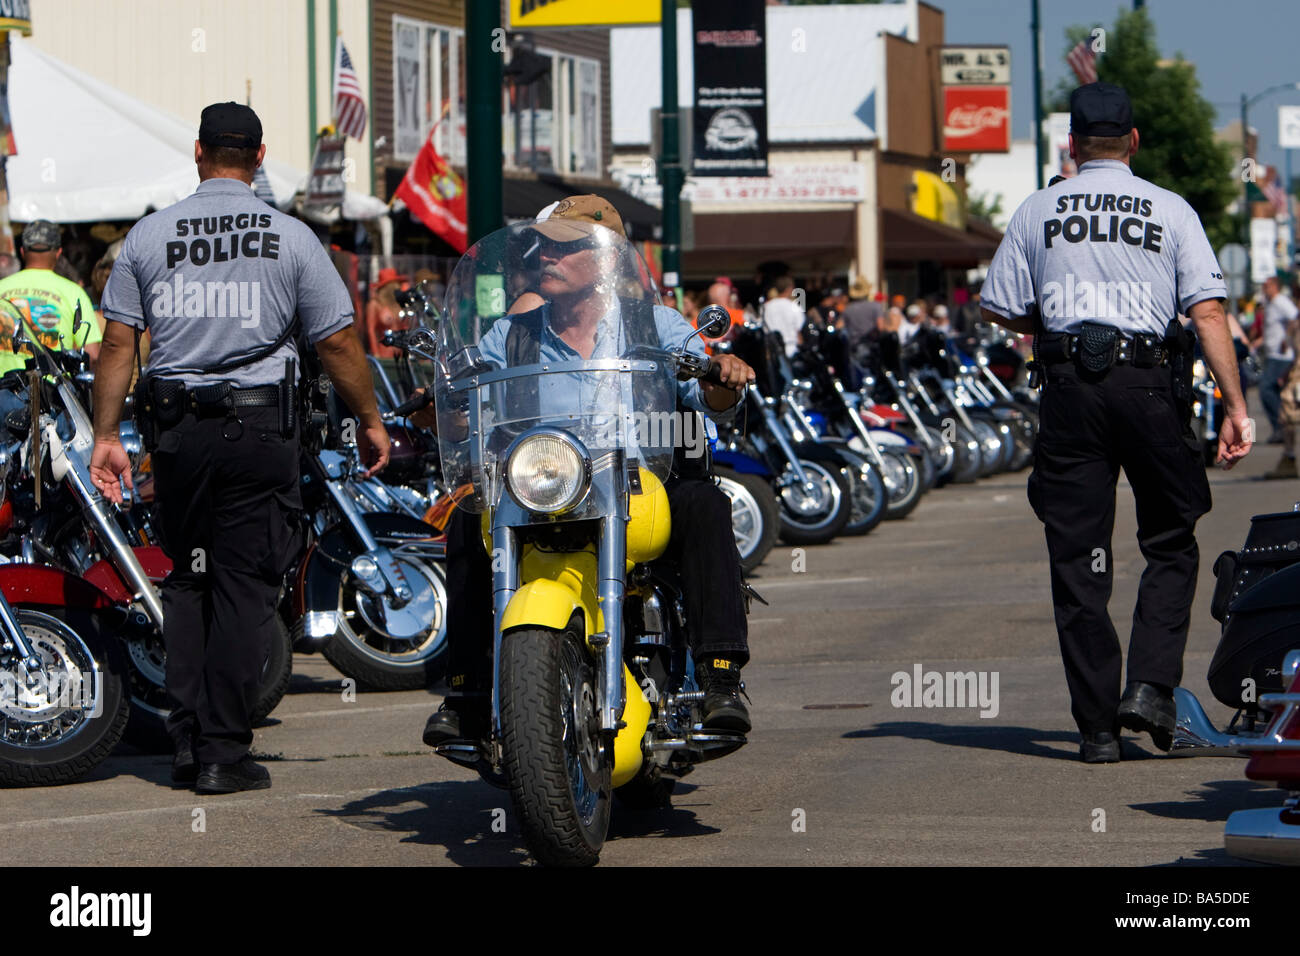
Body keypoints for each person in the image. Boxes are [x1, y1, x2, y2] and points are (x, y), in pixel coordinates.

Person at [90, 102, 390, 794]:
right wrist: (369, 417)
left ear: (198, 152)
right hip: (258, 435)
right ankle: (223, 751)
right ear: (258, 157)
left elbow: (117, 344)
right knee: (245, 585)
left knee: (190, 582)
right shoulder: (291, 239)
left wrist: (107, 436)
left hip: (177, 435)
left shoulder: (148, 236)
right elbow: (337, 341)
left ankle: (190, 741)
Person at [422, 195, 757, 751]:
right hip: (545, 488)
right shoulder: (512, 333)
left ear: (605, 259)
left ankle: (719, 677)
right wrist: (445, 400)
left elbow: (710, 394)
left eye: (565, 246)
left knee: (704, 503)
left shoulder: (656, 324)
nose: (546, 256)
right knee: (465, 514)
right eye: (543, 245)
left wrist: (723, 372)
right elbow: (466, 397)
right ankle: (466, 693)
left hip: (638, 486)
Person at [980, 82, 1251, 763]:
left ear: (1072, 144)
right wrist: (1237, 407)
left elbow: (1000, 305)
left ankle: (1097, 728)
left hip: (1069, 389)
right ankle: (1151, 687)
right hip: (1148, 386)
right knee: (1170, 536)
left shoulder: (1038, 208)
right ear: (1133, 141)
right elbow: (1208, 313)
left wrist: (1050, 322)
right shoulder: (1170, 209)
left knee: (1077, 561)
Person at [0, 220, 103, 373]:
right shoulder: (73, 292)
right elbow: (92, 355)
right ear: (58, 253)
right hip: (52, 392)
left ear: (22, 252)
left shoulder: (2, 287)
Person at [1256, 276, 1297, 445]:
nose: (1265, 289)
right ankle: (1282, 426)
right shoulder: (1270, 303)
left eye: (1267, 286)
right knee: (1273, 391)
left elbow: (1295, 318)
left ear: (1275, 287)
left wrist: (1286, 339)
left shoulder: (1281, 301)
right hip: (1272, 355)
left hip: (1282, 356)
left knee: (1266, 389)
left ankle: (1281, 427)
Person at [762, 275, 804, 356]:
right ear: (789, 288)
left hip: (773, 350)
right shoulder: (794, 306)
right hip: (792, 349)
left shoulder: (766, 306)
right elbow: (798, 328)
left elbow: (763, 327)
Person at [843, 276, 883, 350]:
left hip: (853, 346)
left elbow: (841, 326)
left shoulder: (848, 308)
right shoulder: (875, 306)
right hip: (871, 345)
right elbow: (880, 327)